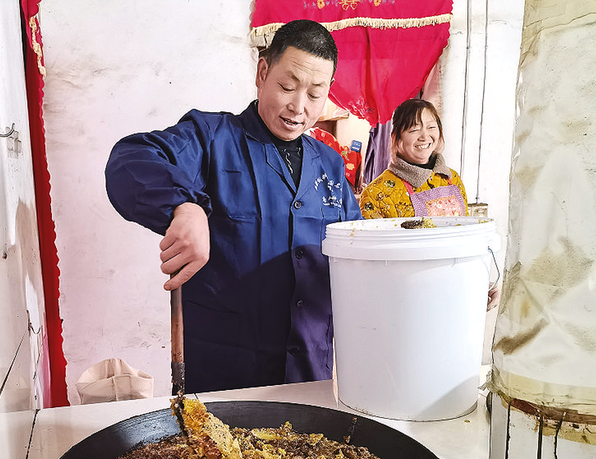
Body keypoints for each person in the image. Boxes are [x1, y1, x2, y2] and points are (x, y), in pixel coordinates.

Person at [105, 20, 361, 394]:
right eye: (287, 87)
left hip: (309, 374)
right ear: (262, 72)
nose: (298, 106)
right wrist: (184, 205)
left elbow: (359, 250)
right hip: (226, 380)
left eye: (315, 94)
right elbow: (130, 160)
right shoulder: (211, 138)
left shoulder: (331, 165)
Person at [359, 98, 500, 309]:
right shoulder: (378, 193)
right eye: (414, 129)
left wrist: (480, 282)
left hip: (458, 290)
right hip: (408, 301)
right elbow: (369, 264)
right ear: (397, 138)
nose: (425, 136)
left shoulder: (452, 178)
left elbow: (465, 238)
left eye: (431, 126)